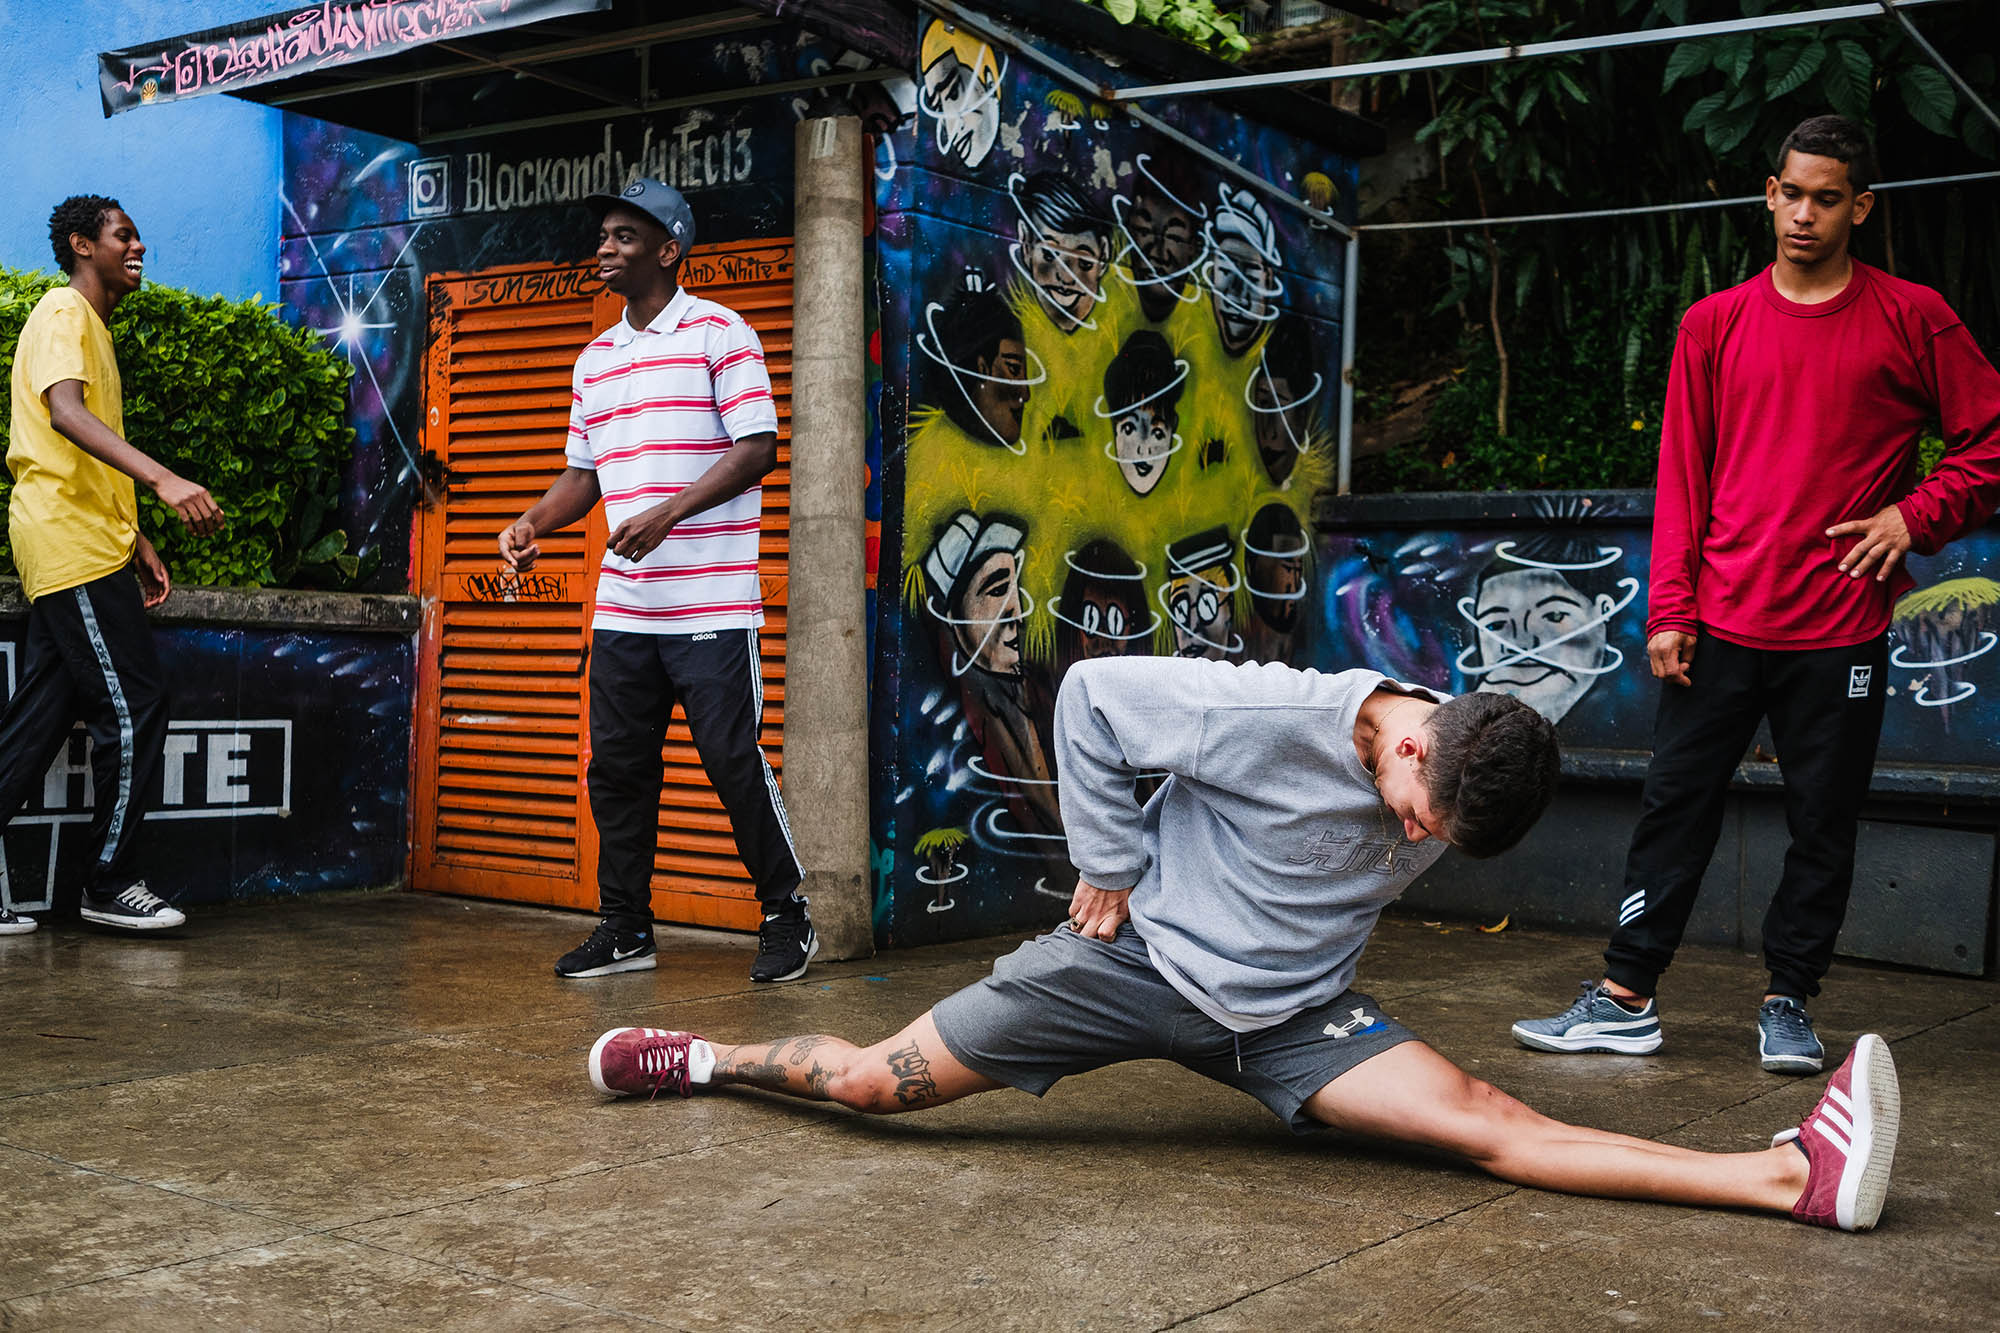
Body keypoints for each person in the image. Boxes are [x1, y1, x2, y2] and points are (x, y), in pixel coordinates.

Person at [587, 657, 1905, 1235]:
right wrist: (1108, 859)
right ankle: (704, 1058)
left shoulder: (1469, 761)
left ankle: (1787, 1172)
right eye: (1409, 813)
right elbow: (1093, 699)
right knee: (873, 1084)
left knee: (1495, 1120)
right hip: (1127, 968)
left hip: (1292, 1018)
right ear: (1401, 740)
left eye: (1428, 834)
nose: (1410, 837)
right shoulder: (1265, 715)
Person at [1514, 115, 2000, 1072]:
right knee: (1673, 807)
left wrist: (1916, 516)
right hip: (1720, 622)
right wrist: (1669, 607)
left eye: (1829, 198)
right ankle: (1625, 996)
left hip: (1842, 628)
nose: (1806, 215)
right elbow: (1683, 475)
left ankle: (1788, 1000)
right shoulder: (1715, 323)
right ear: (1767, 194)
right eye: (1793, 193)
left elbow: (1990, 440)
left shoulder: (1914, 316)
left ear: (1861, 207)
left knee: (1823, 822)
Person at [499, 178, 812, 984]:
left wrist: (669, 512)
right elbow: (585, 477)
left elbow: (756, 448)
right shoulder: (595, 359)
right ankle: (626, 927)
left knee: (731, 760)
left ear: (669, 249)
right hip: (624, 608)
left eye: (625, 237)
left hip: (711, 603)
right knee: (618, 768)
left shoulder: (722, 332)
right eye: (603, 234)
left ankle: (787, 914)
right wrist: (533, 522)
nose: (604, 247)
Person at [0, 195, 224, 936]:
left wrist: (136, 540)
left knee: (35, 722)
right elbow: (65, 412)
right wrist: (163, 479)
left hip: (86, 543)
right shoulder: (65, 314)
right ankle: (108, 880)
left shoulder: (88, 326)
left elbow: (79, 449)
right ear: (80, 244)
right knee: (134, 703)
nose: (139, 246)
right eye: (123, 234)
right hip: (70, 547)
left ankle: (105, 877)